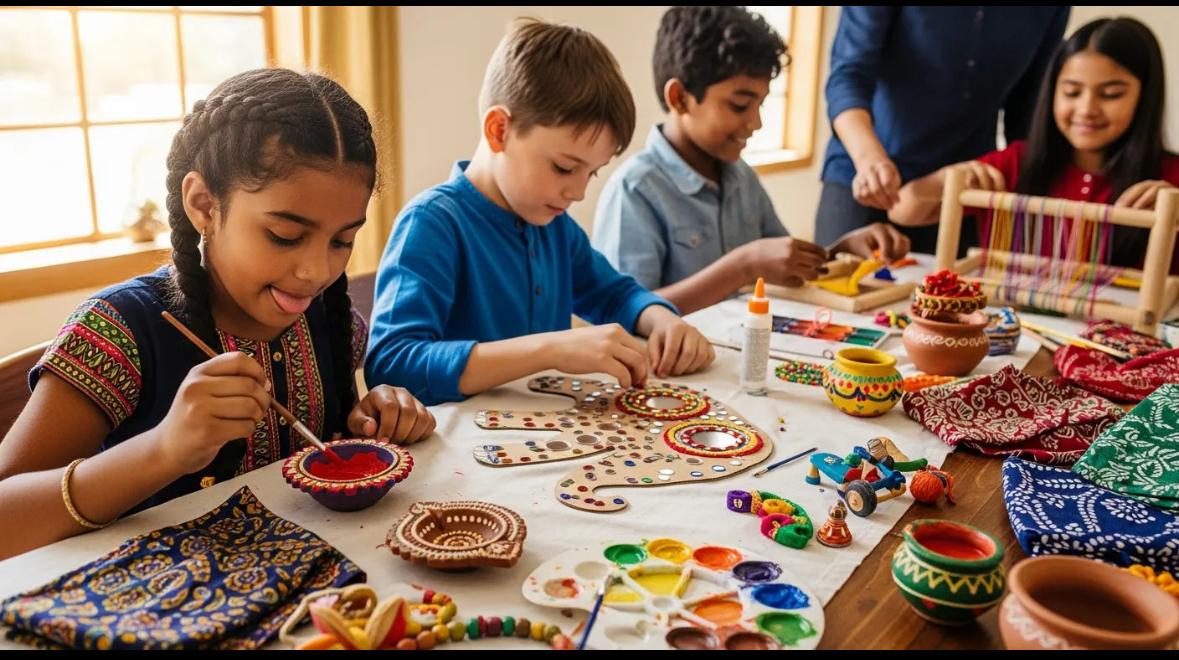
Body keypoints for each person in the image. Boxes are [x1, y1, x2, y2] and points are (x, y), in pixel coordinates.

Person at [0, 68, 435, 559]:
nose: (317, 271)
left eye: (342, 240)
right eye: (285, 236)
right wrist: (163, 449)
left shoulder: (327, 319)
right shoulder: (118, 332)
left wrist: (371, 423)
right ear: (204, 205)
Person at [365, 19, 715, 406]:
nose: (578, 192)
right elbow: (392, 365)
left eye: (592, 173)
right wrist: (550, 349)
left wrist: (661, 319)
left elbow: (613, 293)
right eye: (564, 168)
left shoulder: (554, 226)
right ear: (499, 130)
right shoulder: (432, 224)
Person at [593, 5, 909, 315]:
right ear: (680, 98)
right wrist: (742, 267)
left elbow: (780, 261)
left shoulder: (741, 177)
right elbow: (624, 310)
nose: (756, 123)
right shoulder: (636, 190)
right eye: (740, 105)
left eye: (761, 105)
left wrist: (839, 251)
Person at [889, 17, 1179, 274]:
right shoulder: (1016, 164)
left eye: (1111, 94)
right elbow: (903, 210)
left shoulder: (1170, 181)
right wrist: (948, 179)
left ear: (1145, 97)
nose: (1087, 109)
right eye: (1072, 92)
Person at [816, 6, 1070, 254]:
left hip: (966, 187)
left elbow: (1030, 108)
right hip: (865, 173)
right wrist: (870, 160)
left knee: (957, 283)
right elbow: (848, 77)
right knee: (839, 279)